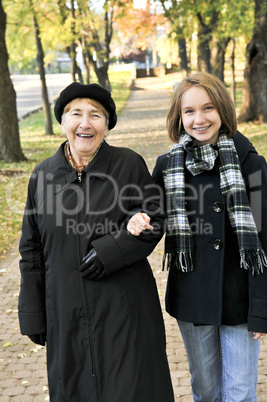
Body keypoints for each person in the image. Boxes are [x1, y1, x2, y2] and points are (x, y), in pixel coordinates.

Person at [18, 82, 175, 402]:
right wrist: (33, 312)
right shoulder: (42, 175)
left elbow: (154, 219)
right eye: (76, 114)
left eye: (96, 115)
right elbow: (31, 248)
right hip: (65, 313)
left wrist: (111, 250)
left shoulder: (128, 165)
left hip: (125, 312)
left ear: (107, 124)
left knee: (131, 389)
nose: (85, 123)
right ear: (62, 121)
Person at [127, 72, 267, 401]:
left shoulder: (253, 165)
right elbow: (152, 215)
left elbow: (264, 240)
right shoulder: (167, 166)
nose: (199, 119)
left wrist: (262, 307)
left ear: (223, 111)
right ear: (179, 117)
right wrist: (136, 219)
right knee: (205, 391)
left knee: (240, 393)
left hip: (241, 299)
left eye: (208, 108)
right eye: (189, 111)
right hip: (192, 297)